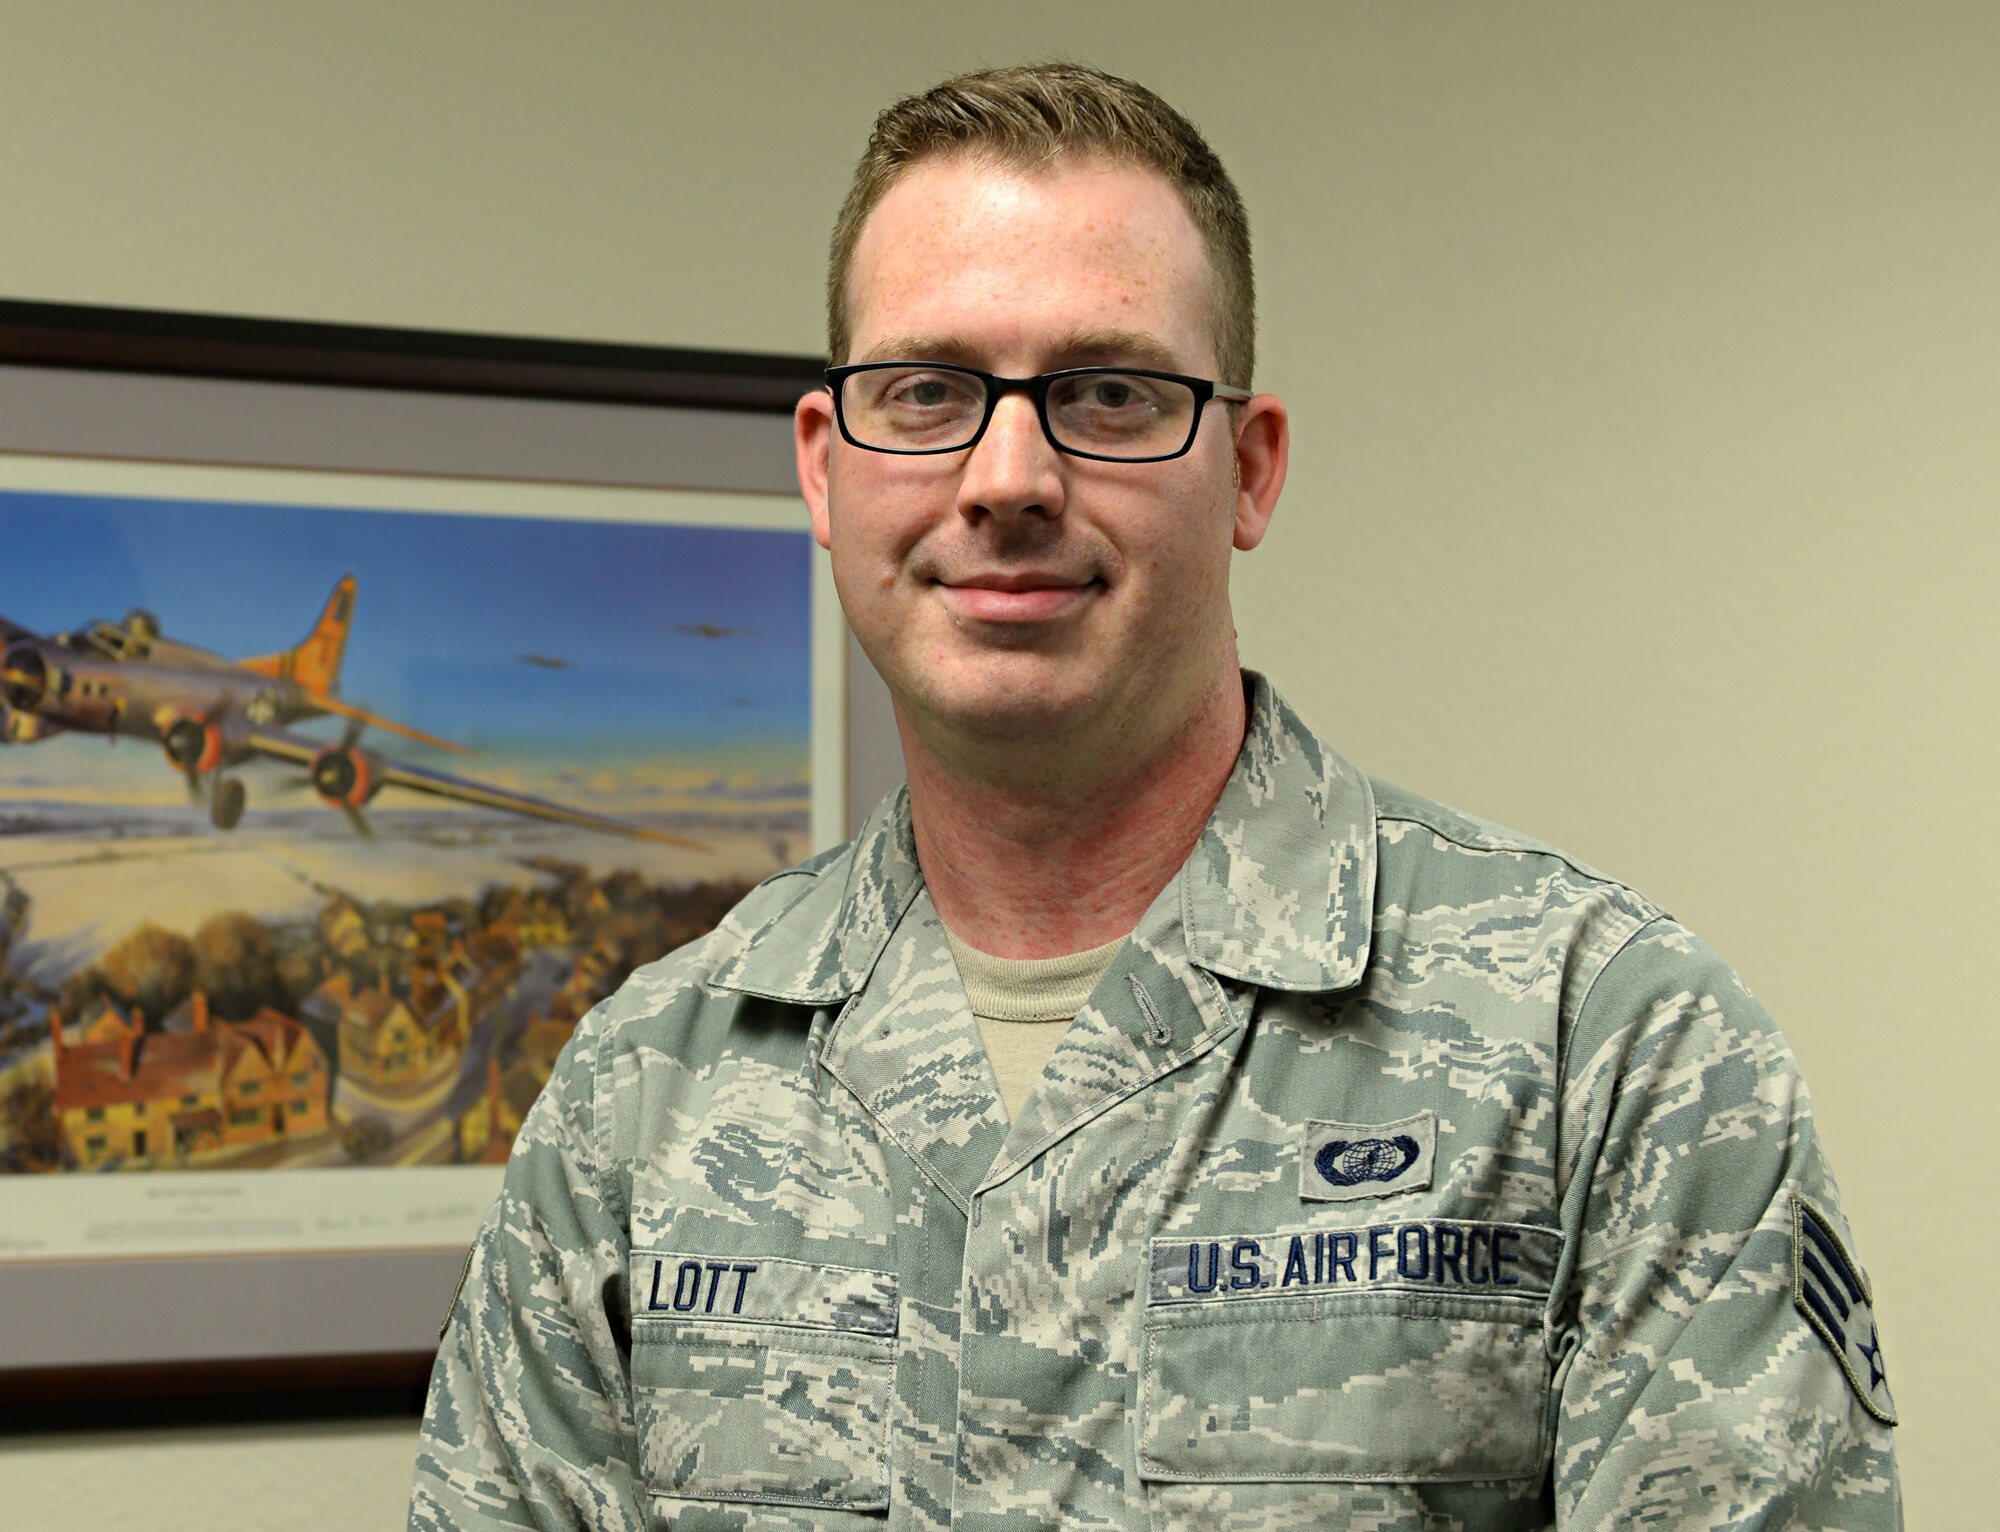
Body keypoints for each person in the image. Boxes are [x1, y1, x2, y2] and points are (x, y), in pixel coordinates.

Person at [411, 64, 1900, 1529]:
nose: (1007, 476)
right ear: (825, 469)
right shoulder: (642, 1101)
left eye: (1109, 394)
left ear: (1248, 473)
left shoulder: (1606, 1050)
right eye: (926, 392)